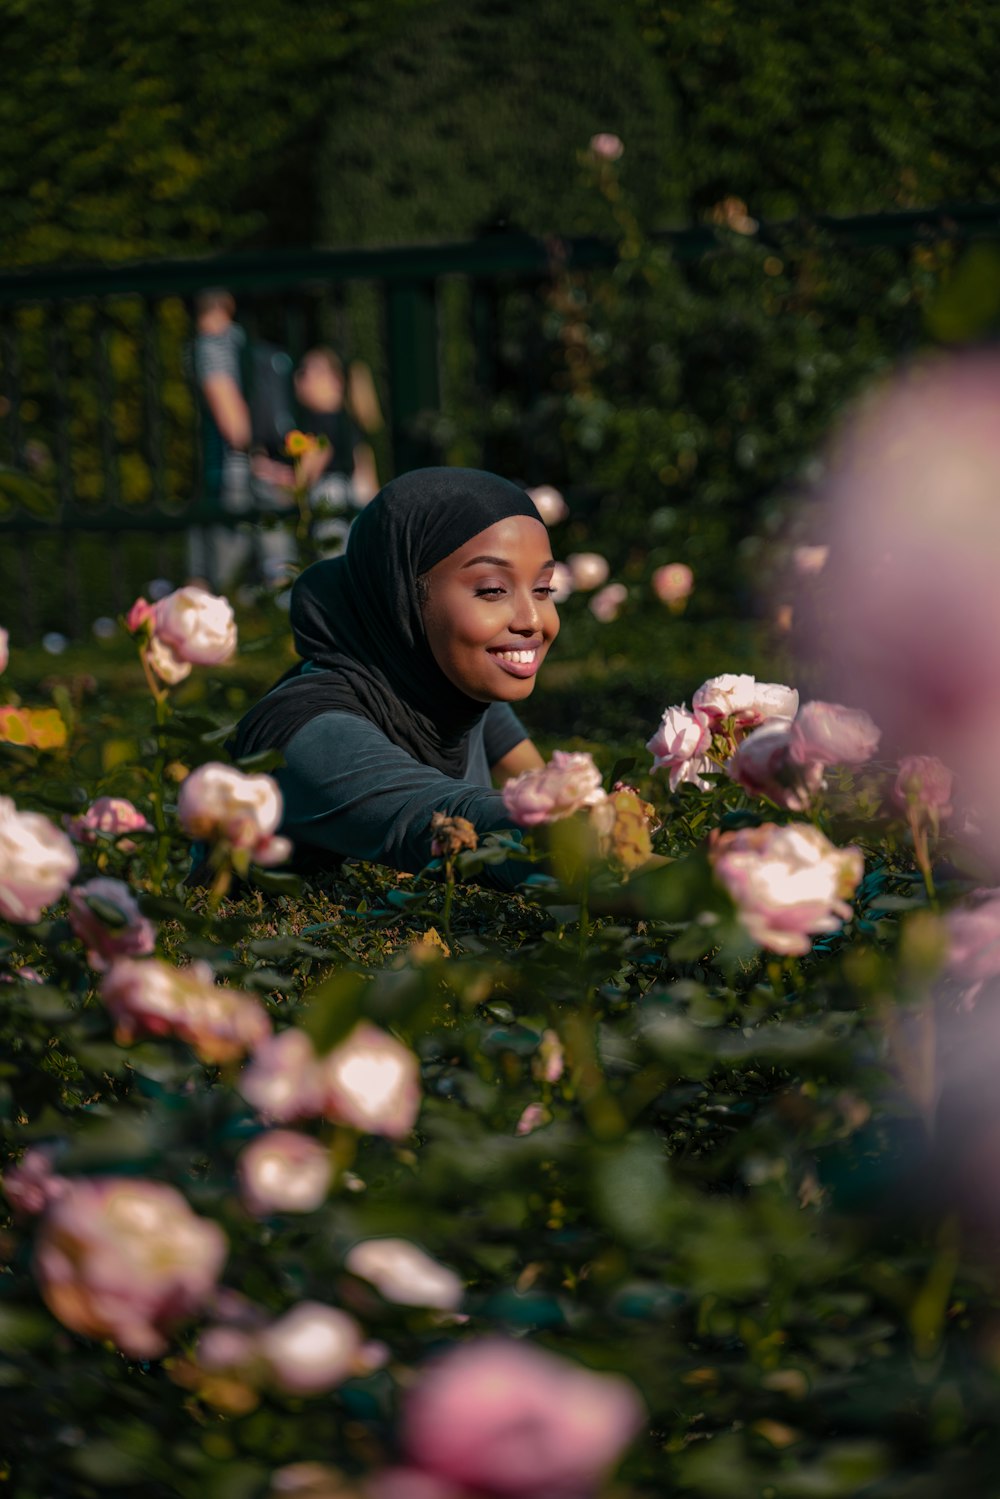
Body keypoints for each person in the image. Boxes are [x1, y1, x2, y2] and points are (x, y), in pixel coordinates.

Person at [231, 467, 558, 888]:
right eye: (493, 589)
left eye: (544, 589)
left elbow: (548, 793)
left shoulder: (453, 692)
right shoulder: (310, 736)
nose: (533, 620)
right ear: (400, 594)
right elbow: (458, 823)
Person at [188, 288, 296, 593]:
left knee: (211, 583)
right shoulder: (245, 343)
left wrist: (258, 462)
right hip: (265, 466)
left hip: (235, 473)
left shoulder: (211, 347)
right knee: (280, 571)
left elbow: (234, 425)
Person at [250, 346, 380, 558]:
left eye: (307, 371)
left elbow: (305, 477)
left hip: (330, 523)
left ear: (335, 380)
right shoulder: (349, 425)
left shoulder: (324, 424)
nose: (299, 378)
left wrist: (271, 476)